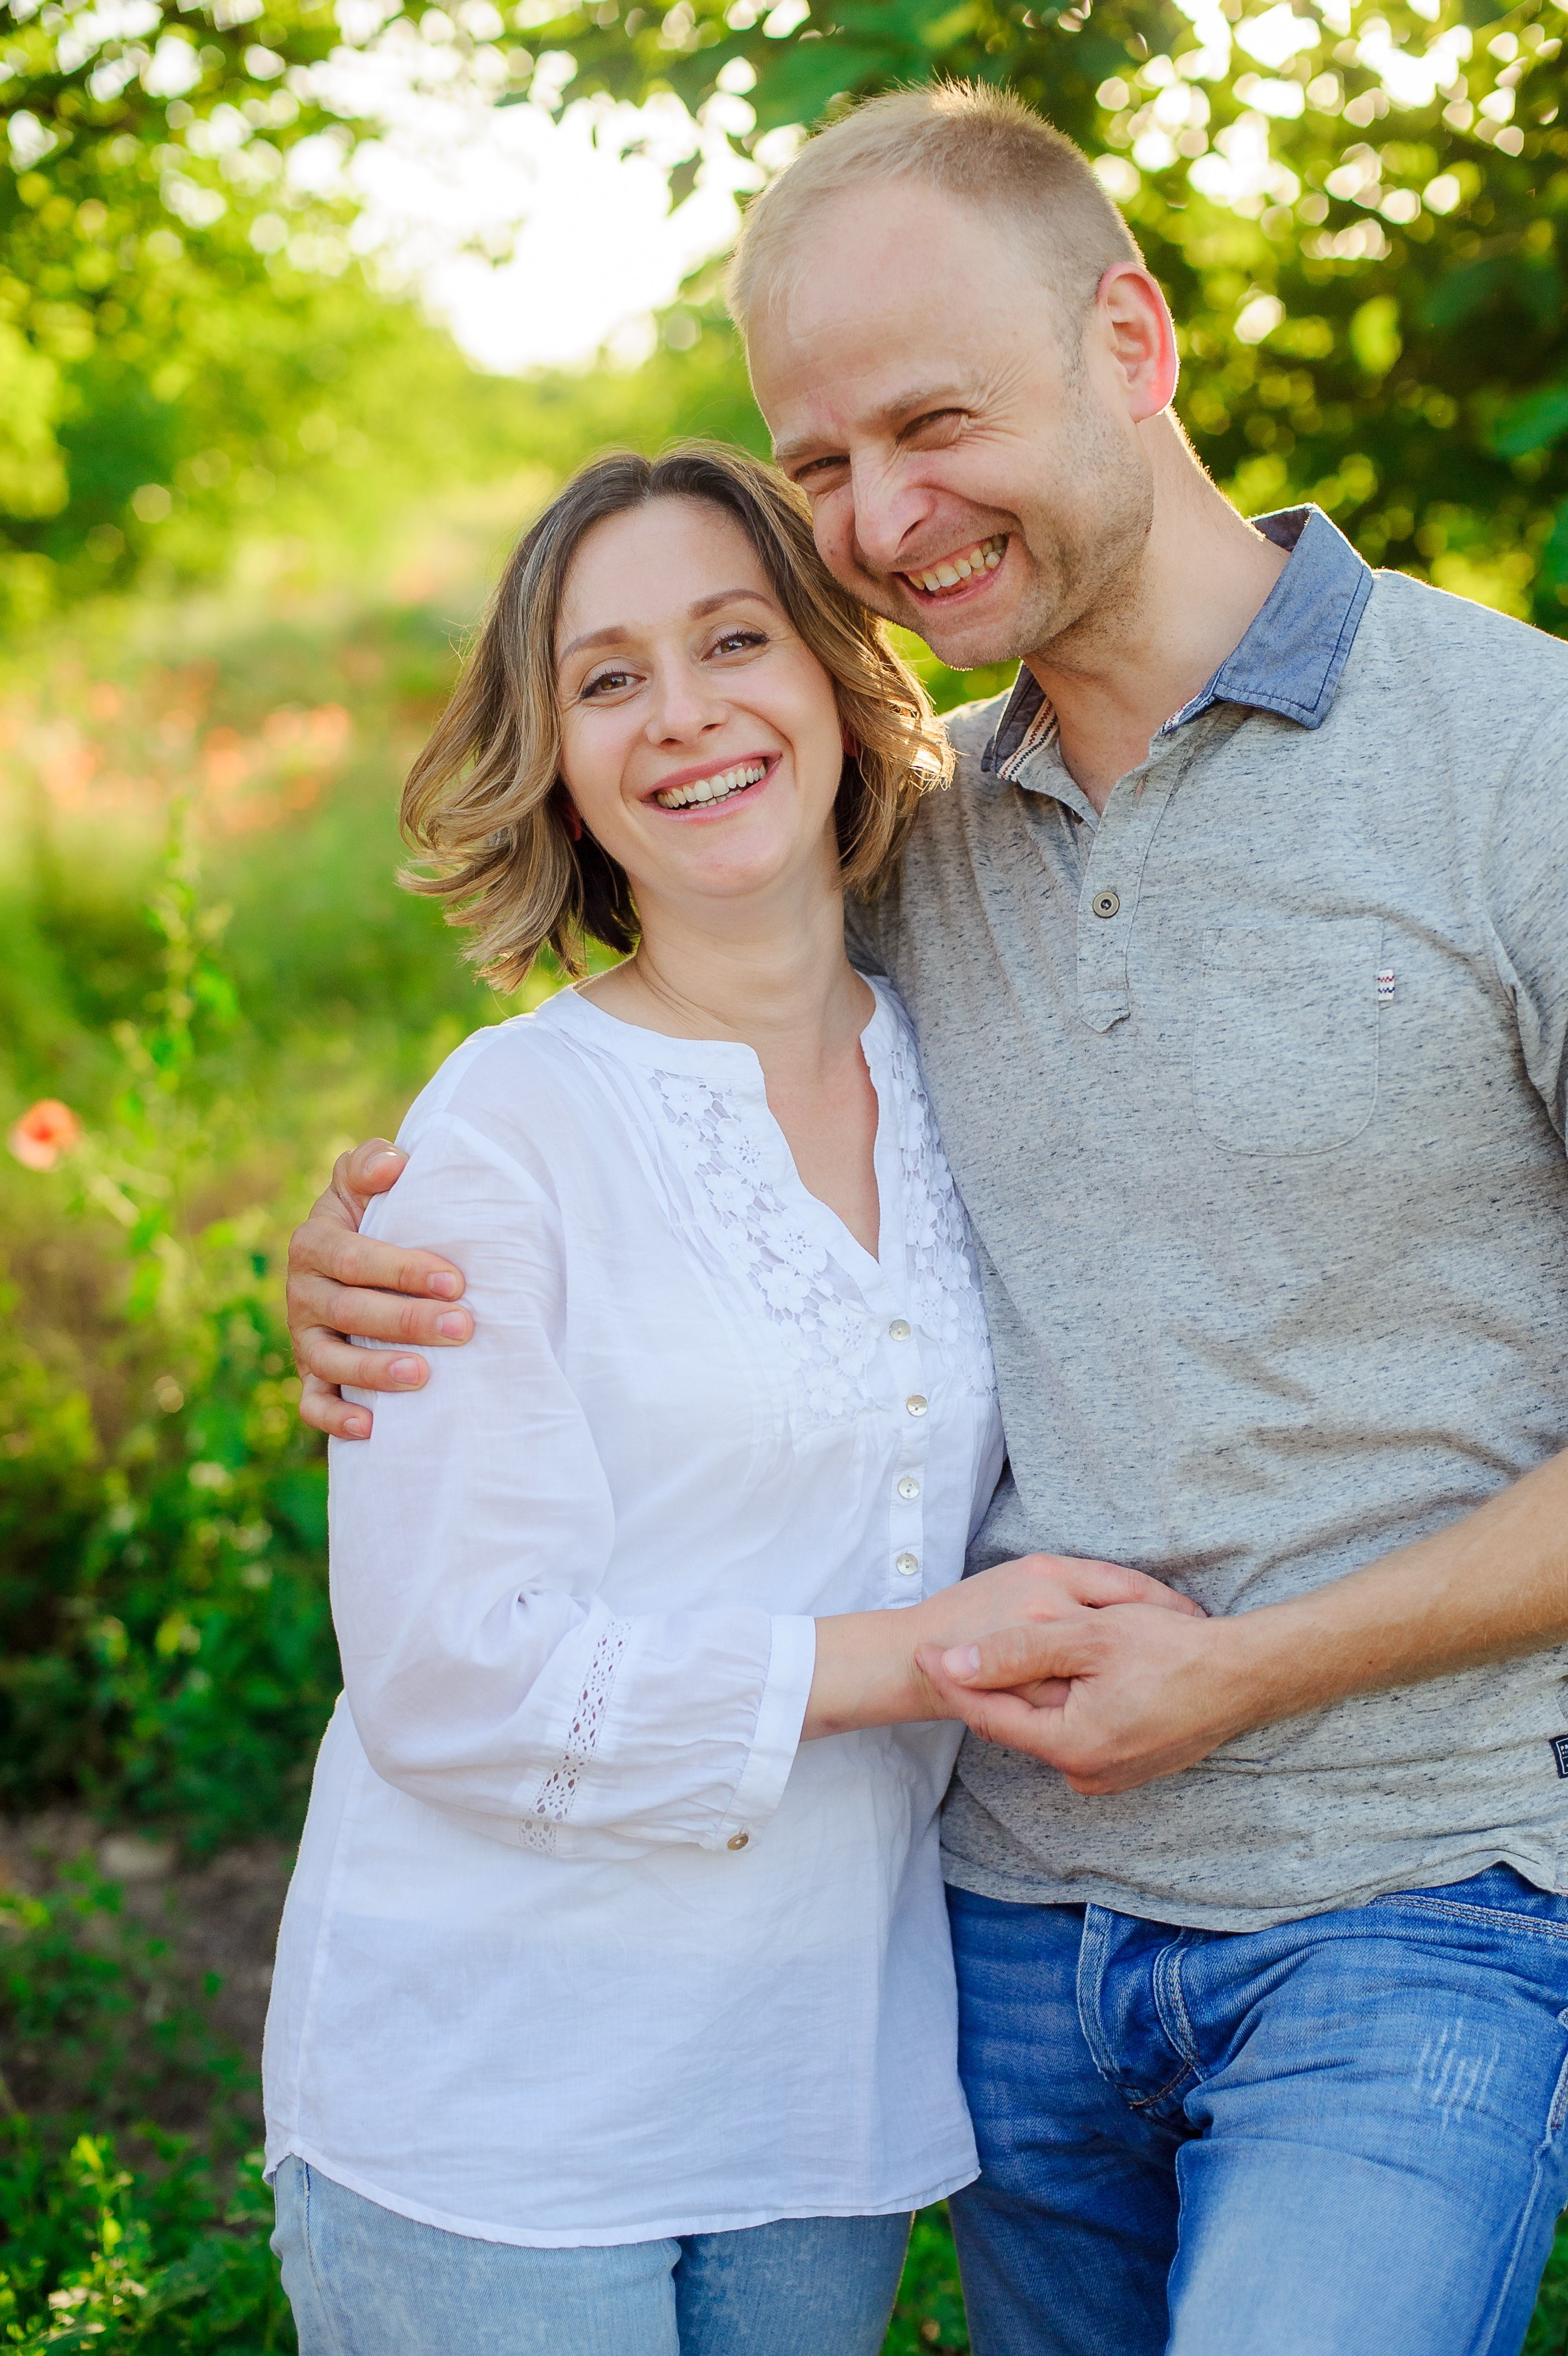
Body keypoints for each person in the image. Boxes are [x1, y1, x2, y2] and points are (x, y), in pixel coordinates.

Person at [284, 86, 1568, 2356]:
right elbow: (644, 1109)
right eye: (823, 460)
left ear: (1133, 342)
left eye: (937, 422)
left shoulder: (1519, 761)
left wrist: (1242, 1675)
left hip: (1418, 1889)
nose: (883, 519)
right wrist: (352, 1271)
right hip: (994, 1933)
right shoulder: (914, 841)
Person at [262, 440, 1198, 2356]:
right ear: (559, 763)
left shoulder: (967, 1067)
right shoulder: (502, 1133)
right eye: (608, 679)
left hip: (811, 2089)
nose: (683, 714)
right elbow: (450, 1675)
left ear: (838, 682)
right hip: (494, 2102)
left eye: (734, 640)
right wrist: (922, 1656)